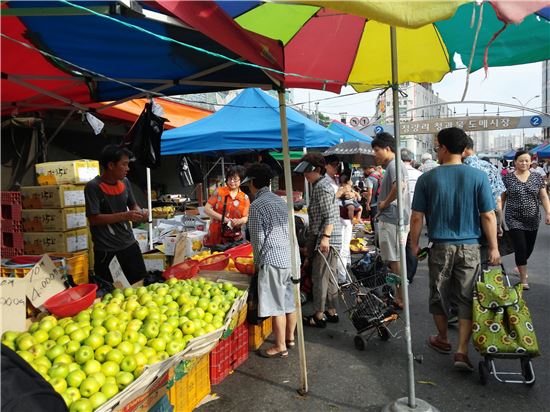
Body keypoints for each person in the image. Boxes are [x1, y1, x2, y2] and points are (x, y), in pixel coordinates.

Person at [409, 127, 500, 372]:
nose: (436, 151)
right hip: (471, 247)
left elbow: (417, 217)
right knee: (466, 297)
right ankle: (461, 350)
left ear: (444, 148)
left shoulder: (427, 178)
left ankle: (443, 339)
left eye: (437, 147)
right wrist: (493, 247)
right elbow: (488, 216)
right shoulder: (478, 177)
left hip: (441, 247)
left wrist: (413, 244)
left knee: (439, 294)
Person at [243, 163, 297, 358]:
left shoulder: (256, 206)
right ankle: (290, 339)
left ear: (252, 183)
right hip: (290, 257)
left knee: (276, 305)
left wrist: (257, 264)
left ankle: (280, 346)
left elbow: (258, 239)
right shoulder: (279, 200)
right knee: (289, 301)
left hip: (272, 259)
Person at [85, 145, 148, 286]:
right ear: (111, 165)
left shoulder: (125, 182)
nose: (128, 168)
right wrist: (125, 216)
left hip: (130, 245)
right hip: (107, 251)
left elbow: (133, 205)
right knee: (110, 293)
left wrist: (139, 212)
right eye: (124, 164)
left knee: (140, 285)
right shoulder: (93, 187)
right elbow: (94, 219)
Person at [294, 153, 342, 328]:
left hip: (326, 239)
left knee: (320, 276)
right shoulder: (322, 185)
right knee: (330, 276)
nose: (305, 176)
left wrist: (325, 238)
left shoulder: (322, 187)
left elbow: (329, 216)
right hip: (330, 238)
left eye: (307, 172)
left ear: (317, 169)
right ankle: (331, 311)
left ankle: (319, 315)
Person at [371, 133, 410, 309]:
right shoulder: (395, 165)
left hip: (393, 219)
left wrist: (384, 204)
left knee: (395, 260)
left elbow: (399, 186)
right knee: (396, 260)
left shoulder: (394, 165)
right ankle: (400, 295)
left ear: (388, 149)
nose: (375, 154)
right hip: (396, 218)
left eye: (377, 150)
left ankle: (400, 298)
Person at [502, 150, 550, 290]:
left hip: (533, 218)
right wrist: (498, 217)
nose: (524, 163)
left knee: (528, 248)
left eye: (527, 161)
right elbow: (502, 198)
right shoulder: (508, 178)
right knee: (521, 247)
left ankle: (521, 264)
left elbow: (543, 197)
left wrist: (548, 212)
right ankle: (523, 280)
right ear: (515, 162)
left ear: (531, 162)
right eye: (521, 160)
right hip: (513, 218)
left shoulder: (536, 177)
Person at [462, 136, 506, 264]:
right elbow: (498, 200)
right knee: (485, 258)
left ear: (463, 149)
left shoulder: (456, 168)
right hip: (487, 219)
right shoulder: (490, 167)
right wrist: (498, 224)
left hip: (464, 222)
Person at [203, 166, 250, 246]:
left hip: (234, 236)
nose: (232, 182)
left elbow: (246, 217)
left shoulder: (245, 198)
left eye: (235, 179)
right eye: (229, 178)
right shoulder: (219, 191)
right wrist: (224, 219)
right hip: (216, 234)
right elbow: (207, 209)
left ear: (241, 180)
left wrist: (239, 221)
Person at [401, 149, 422, 284]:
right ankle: (410, 274)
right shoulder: (420, 175)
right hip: (416, 214)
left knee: (399, 245)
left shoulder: (397, 173)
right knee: (412, 244)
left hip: (400, 214)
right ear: (412, 160)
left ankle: (401, 274)